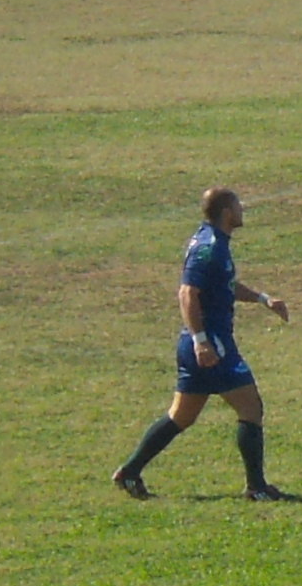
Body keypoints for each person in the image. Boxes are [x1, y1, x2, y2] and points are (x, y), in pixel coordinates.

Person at [114, 186, 289, 500]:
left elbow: (224, 284)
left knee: (181, 416)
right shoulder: (209, 247)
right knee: (250, 406)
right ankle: (257, 487)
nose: (242, 209)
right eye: (237, 205)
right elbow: (187, 293)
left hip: (202, 345)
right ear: (226, 212)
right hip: (212, 346)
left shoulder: (213, 242)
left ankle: (130, 472)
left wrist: (264, 299)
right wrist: (201, 341)